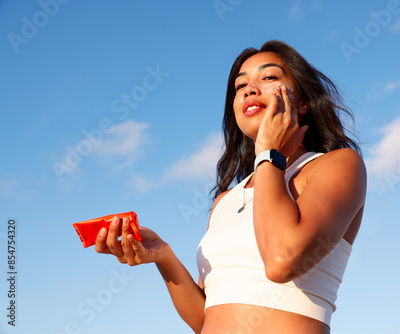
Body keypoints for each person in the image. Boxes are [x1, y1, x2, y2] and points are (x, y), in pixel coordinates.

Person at [95, 40, 367, 334]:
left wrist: (267, 153)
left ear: (303, 102)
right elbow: (206, 320)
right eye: (240, 86)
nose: (250, 89)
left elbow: (281, 260)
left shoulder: (337, 165)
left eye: (269, 77)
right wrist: (164, 257)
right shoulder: (224, 201)